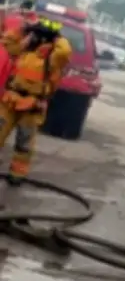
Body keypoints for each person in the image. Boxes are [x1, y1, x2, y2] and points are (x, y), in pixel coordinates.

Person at [0, 14, 72, 185]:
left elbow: (65, 51)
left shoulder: (52, 56)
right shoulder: (24, 47)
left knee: (24, 142)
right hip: (10, 100)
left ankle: (17, 175)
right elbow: (6, 42)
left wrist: (57, 36)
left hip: (32, 105)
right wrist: (23, 29)